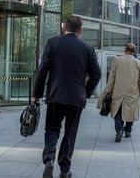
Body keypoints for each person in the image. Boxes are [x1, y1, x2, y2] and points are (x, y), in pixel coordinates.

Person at [32, 16, 101, 178]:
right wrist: (85, 92)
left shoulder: (53, 43)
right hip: (76, 98)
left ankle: (49, 158)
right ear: (80, 31)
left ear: (64, 28)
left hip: (56, 95)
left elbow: (42, 71)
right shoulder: (87, 48)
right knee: (70, 133)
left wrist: (36, 94)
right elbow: (96, 74)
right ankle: (64, 169)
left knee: (52, 128)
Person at [100, 43, 140, 142]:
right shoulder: (139, 63)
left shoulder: (117, 60)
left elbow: (112, 77)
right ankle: (128, 131)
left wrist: (108, 90)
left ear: (125, 51)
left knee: (117, 112)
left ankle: (119, 130)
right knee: (131, 112)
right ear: (134, 52)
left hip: (118, 91)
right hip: (132, 93)